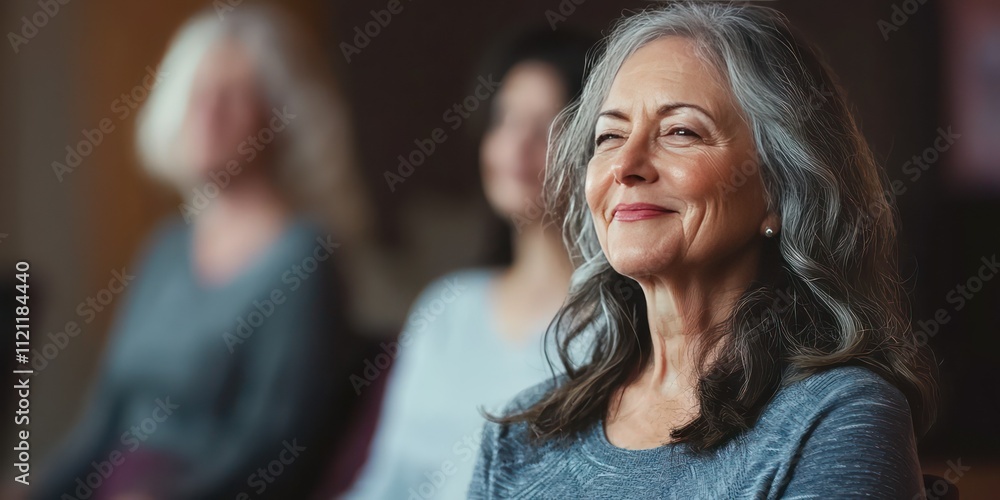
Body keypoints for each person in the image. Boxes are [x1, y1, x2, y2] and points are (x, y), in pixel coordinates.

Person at [470, 4, 939, 498]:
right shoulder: (519, 437)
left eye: (681, 132)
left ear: (780, 187)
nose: (626, 165)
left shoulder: (836, 417)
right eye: (609, 136)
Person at [32, 5, 367, 499]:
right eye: (198, 95)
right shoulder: (165, 250)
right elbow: (103, 422)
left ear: (278, 117)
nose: (209, 113)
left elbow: (275, 445)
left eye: (234, 95)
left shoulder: (304, 258)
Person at [341, 29, 593, 500]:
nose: (517, 145)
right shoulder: (446, 308)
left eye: (546, 127)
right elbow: (386, 480)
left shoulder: (615, 325)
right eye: (505, 120)